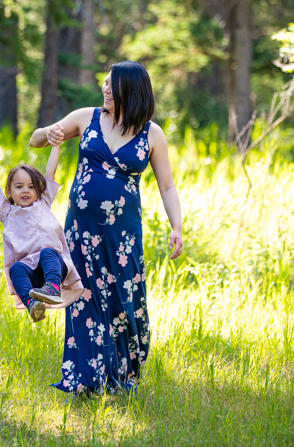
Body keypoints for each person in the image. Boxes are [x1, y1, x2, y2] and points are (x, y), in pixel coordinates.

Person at [29, 60, 183, 394]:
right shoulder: (87, 117)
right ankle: (86, 378)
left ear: (133, 89)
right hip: (80, 230)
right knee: (84, 298)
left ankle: (121, 376)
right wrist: (48, 133)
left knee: (123, 301)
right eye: (105, 82)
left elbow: (167, 186)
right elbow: (35, 141)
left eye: (113, 84)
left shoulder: (151, 133)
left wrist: (177, 227)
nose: (105, 89)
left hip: (123, 235)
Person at [0, 143, 84, 323]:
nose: (25, 190)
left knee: (47, 252)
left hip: (55, 266)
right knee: (16, 268)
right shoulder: (6, 213)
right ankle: (32, 304)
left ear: (39, 190)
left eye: (31, 187)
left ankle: (52, 288)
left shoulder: (43, 202)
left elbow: (50, 173)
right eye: (19, 187)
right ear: (9, 191)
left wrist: (55, 146)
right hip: (32, 274)